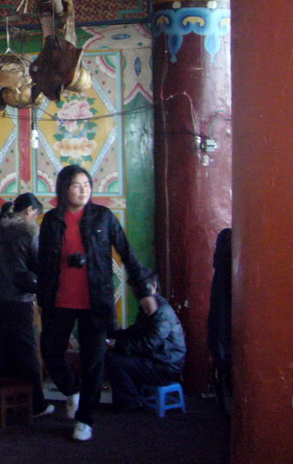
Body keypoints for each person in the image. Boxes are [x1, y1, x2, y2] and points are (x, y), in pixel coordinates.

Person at [37, 165, 156, 442]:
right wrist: (42, 293)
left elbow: (128, 253)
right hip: (59, 301)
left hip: (95, 302)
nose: (84, 190)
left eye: (87, 184)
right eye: (77, 185)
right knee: (51, 353)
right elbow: (43, 263)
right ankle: (73, 390)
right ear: (63, 189)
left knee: (94, 362)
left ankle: (85, 419)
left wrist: (144, 291)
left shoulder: (103, 217)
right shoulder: (52, 221)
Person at [0, 192, 54, 418]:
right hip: (18, 301)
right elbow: (37, 265)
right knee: (26, 352)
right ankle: (36, 405)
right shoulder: (29, 232)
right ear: (29, 211)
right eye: (36, 215)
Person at [105, 274, 186, 412]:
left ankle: (130, 403)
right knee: (114, 354)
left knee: (114, 360)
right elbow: (135, 332)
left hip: (166, 365)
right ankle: (133, 397)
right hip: (156, 358)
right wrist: (110, 334)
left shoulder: (161, 312)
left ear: (154, 287)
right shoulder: (148, 307)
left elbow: (150, 344)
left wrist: (118, 344)